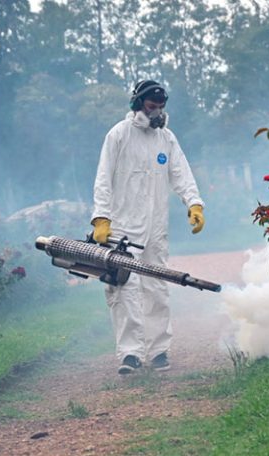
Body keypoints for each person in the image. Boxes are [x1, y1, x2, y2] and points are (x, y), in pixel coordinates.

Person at [91, 80, 206, 374]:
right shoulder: (118, 135)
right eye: (151, 107)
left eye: (160, 108)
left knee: (157, 285)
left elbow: (180, 172)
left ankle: (158, 351)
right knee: (124, 288)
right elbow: (103, 178)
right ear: (138, 104)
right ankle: (130, 353)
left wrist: (194, 203)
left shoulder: (166, 139)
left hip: (156, 228)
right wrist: (101, 218)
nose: (156, 113)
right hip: (121, 229)